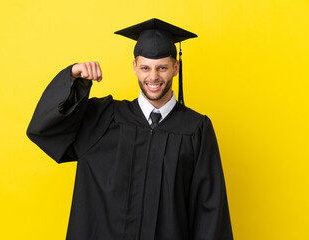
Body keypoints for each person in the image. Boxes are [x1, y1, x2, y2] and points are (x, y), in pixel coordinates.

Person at [27, 18, 233, 240]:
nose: (153, 77)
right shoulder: (104, 117)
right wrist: (71, 77)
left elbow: (209, 212)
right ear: (135, 67)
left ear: (176, 67)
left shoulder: (196, 129)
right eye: (145, 67)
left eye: (162, 67)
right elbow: (45, 129)